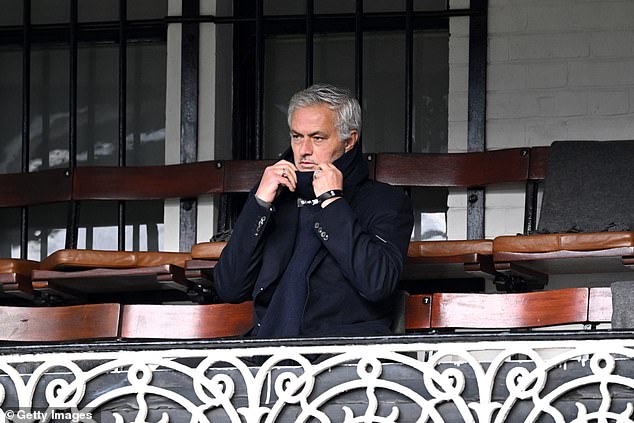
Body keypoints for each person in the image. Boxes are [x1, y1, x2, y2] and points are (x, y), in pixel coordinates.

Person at [214, 84, 414, 338]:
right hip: (267, 358)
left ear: (349, 141)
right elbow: (230, 288)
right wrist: (259, 204)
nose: (304, 150)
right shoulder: (275, 197)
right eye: (297, 136)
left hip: (347, 360)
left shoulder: (385, 201)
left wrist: (332, 202)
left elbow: (377, 283)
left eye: (317, 138)